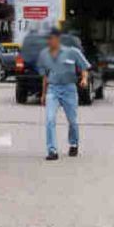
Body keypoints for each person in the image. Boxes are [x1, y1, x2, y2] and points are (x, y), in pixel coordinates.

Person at [38, 27, 90, 161]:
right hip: (53, 89)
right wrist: (43, 94)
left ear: (57, 39)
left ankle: (73, 143)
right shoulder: (45, 54)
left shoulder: (72, 52)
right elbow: (45, 76)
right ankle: (52, 150)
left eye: (51, 39)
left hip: (69, 89)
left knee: (72, 121)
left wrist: (84, 79)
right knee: (50, 119)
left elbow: (84, 67)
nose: (49, 42)